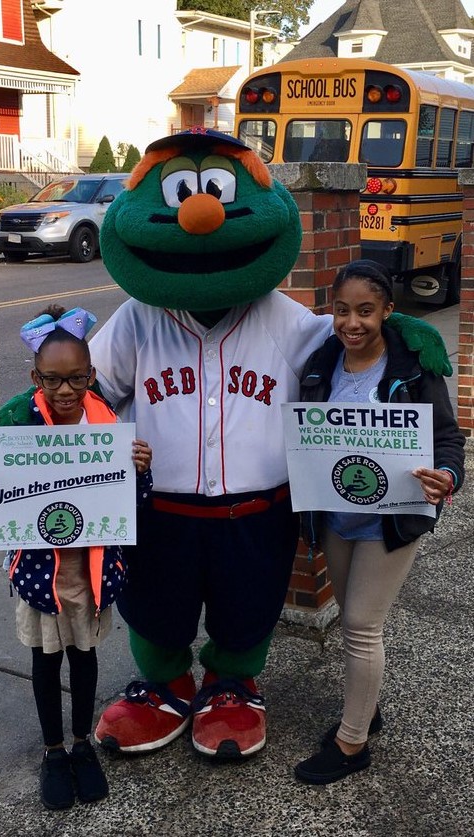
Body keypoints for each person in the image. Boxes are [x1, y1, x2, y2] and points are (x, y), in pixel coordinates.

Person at [84, 128, 454, 761]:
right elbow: (85, 391)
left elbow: (351, 340)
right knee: (155, 604)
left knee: (246, 605)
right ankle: (166, 685)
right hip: (158, 511)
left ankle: (231, 684)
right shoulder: (139, 317)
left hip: (253, 513)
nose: (199, 218)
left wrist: (405, 335)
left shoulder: (285, 318)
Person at [0, 305, 153, 810]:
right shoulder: (18, 420)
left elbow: (132, 507)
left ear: (91, 375)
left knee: (84, 657)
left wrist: (138, 472)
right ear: (35, 377)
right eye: (53, 379)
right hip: (39, 573)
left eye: (75, 378)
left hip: (89, 571)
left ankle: (84, 745)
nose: (65, 390)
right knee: (45, 663)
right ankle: (53, 751)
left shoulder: (106, 420)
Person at [293, 259, 465, 785]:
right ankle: (366, 708)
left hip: (391, 521)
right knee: (352, 622)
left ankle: (352, 743)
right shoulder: (321, 365)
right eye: (341, 310)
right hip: (337, 515)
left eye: (366, 311)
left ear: (388, 310)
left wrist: (447, 476)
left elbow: (448, 440)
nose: (352, 323)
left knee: (363, 627)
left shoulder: (412, 368)